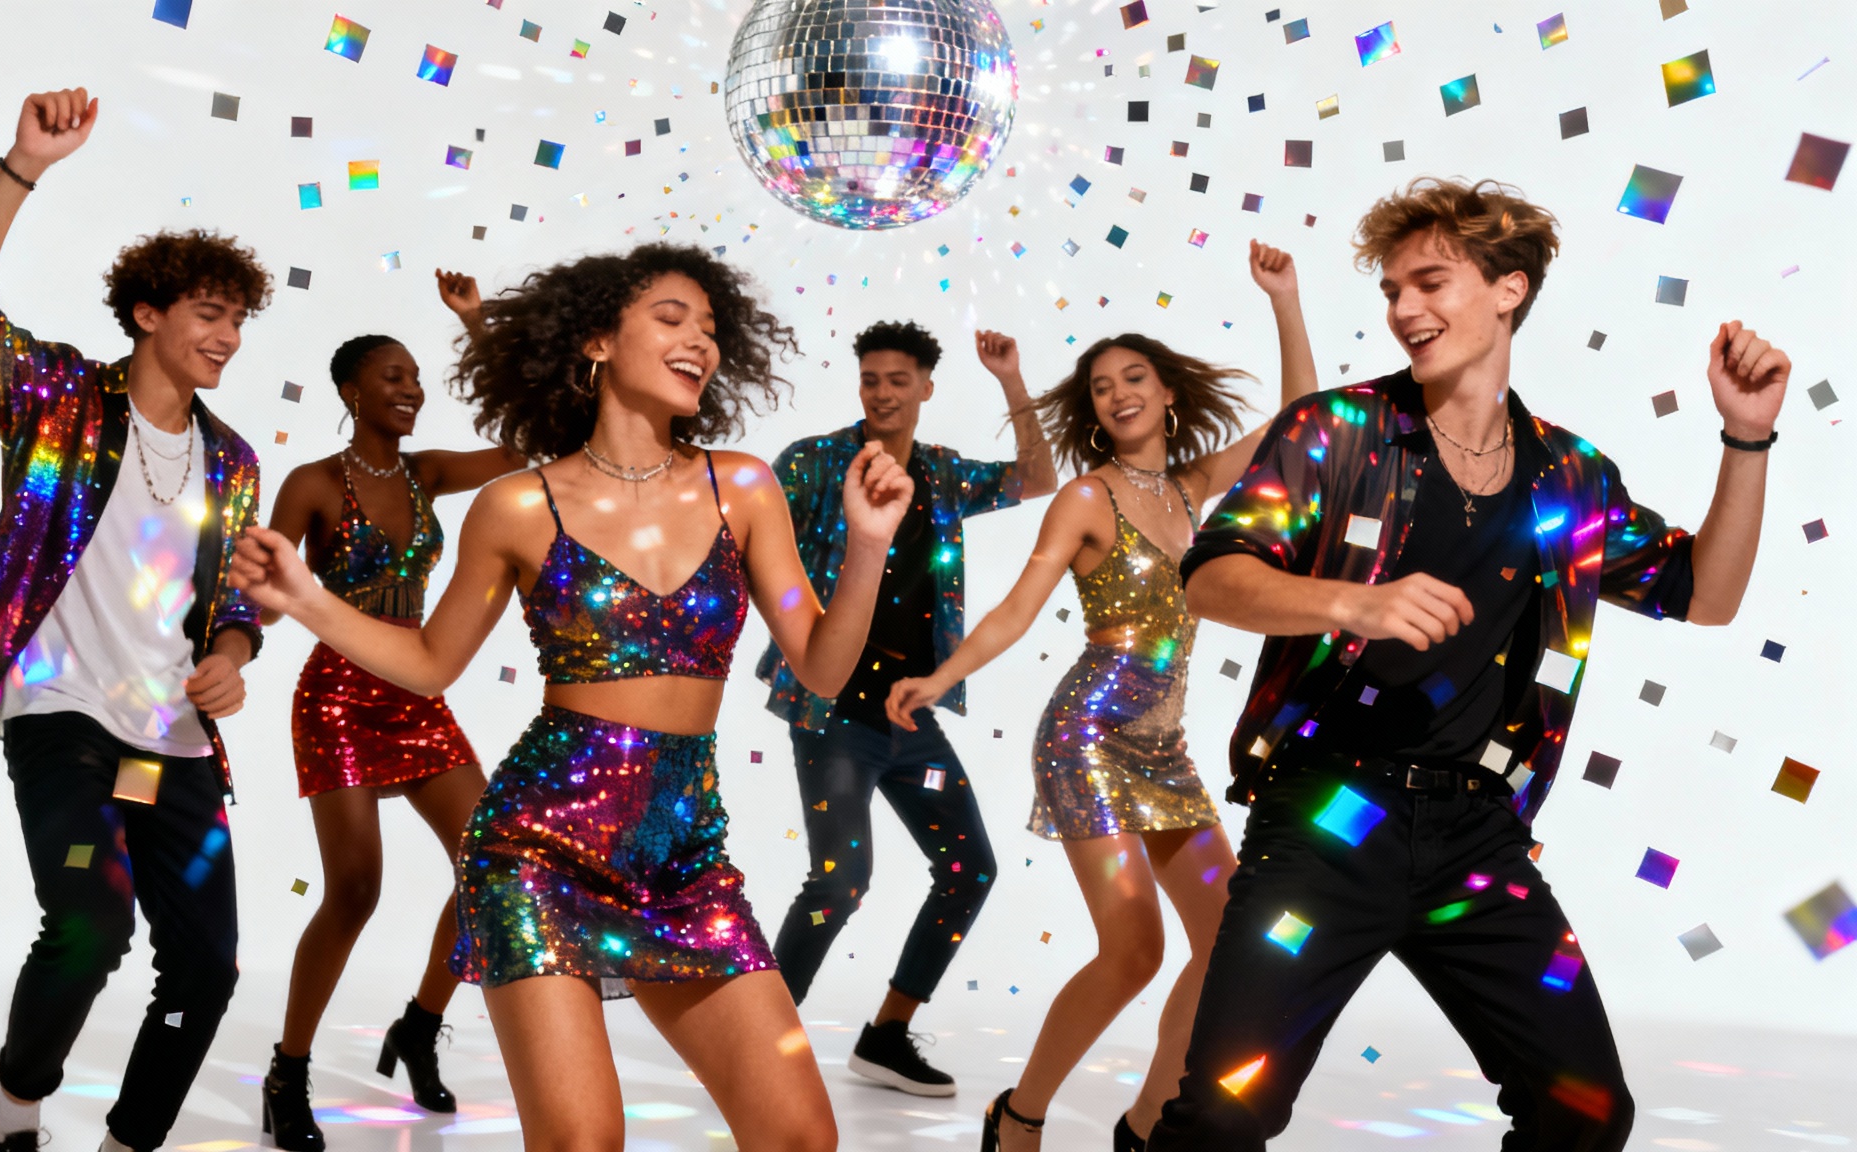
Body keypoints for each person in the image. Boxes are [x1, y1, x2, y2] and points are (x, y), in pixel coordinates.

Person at [1147, 179, 1791, 1151]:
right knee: (1222, 1113)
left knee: (1583, 1111)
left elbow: (1703, 597)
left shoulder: (1567, 476)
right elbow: (1212, 578)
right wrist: (1349, 602)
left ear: (1507, 290)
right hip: (1326, 814)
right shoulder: (1335, 431)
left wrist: (1745, 436)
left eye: (1430, 282)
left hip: (1476, 841)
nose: (1404, 309)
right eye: (1391, 290)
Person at [229, 242, 912, 1151]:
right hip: (536, 850)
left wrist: (867, 542)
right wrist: (307, 600)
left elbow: (823, 671)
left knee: (800, 1137)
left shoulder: (742, 486)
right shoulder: (518, 506)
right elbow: (432, 664)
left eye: (710, 329)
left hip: (685, 856)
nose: (699, 342)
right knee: (584, 1144)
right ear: (596, 341)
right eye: (673, 318)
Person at [884, 243, 1317, 1150]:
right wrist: (942, 676)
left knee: (1230, 940)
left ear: (1166, 393)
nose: (1118, 394)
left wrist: (1285, 299)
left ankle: (1151, 1119)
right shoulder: (1087, 495)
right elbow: (1015, 607)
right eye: (1100, 388)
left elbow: (1297, 419)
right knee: (1134, 951)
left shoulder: (1196, 489)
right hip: (1086, 736)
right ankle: (1022, 1114)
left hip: (1163, 746)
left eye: (1135, 378)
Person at [0, 89, 271, 1152]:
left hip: (170, 737)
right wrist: (22, 167)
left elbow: (236, 600)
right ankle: (15, 1108)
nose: (229, 336)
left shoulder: (236, 461)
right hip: (60, 715)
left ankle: (131, 1142)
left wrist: (233, 656)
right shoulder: (59, 397)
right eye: (209, 312)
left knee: (206, 964)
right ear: (149, 314)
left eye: (239, 318)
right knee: (90, 920)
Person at [255, 271, 528, 1147]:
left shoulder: (430, 473)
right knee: (355, 891)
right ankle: (286, 1069)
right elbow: (264, 595)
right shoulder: (310, 481)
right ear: (351, 393)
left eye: (417, 377)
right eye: (392, 378)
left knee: (491, 866)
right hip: (336, 700)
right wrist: (232, 615)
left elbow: (529, 441)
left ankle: (417, 1025)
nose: (411, 390)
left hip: (416, 691)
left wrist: (480, 325)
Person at [756, 319, 1058, 1096]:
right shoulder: (815, 461)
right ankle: (762, 1044)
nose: (883, 392)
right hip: (832, 715)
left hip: (912, 718)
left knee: (969, 870)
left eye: (898, 380)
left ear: (926, 386)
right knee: (840, 879)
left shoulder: (945, 475)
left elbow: (1037, 478)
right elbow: (750, 548)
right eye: (870, 379)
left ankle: (887, 1034)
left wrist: (1011, 382)